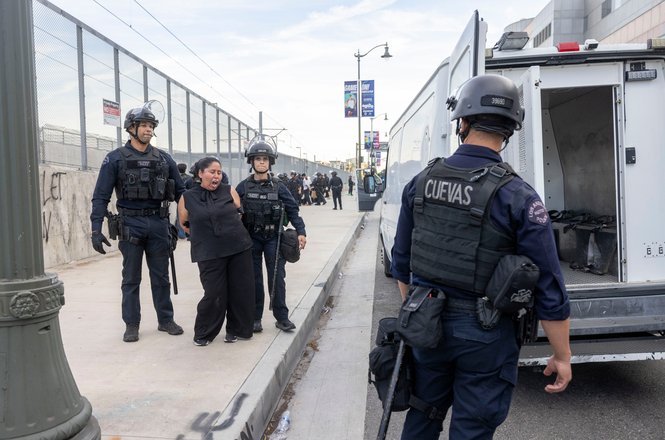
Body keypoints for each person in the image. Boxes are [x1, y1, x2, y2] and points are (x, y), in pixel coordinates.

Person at [392, 74, 572, 439]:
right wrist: (562, 356)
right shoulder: (519, 196)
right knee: (472, 429)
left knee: (422, 417)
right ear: (509, 130)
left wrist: (419, 313)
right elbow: (550, 287)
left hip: (426, 322)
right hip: (486, 333)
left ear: (463, 122)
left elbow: (401, 262)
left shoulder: (421, 182)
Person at [90, 103, 185, 343]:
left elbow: (183, 192)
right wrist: (95, 228)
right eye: (143, 125)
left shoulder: (164, 158)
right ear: (131, 128)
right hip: (130, 223)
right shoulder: (115, 159)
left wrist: (189, 220)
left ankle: (165, 320)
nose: (148, 129)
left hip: (158, 222)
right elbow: (101, 195)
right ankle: (131, 324)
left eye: (151, 125)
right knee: (131, 278)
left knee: (161, 277)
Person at [178, 157, 255, 346]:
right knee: (214, 293)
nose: (216, 176)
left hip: (238, 247)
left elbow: (239, 212)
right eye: (212, 172)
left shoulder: (229, 190)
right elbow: (185, 224)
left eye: (219, 172)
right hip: (208, 251)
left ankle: (236, 330)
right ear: (200, 174)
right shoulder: (187, 197)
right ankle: (204, 333)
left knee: (240, 290)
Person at [236, 135, 307, 333]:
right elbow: (231, 210)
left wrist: (301, 231)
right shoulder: (243, 187)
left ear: (270, 162)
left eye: (265, 159)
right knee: (254, 279)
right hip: (251, 239)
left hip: (273, 239)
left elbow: (293, 210)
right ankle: (255, 318)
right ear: (251, 161)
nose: (261, 162)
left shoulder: (279, 186)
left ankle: (281, 317)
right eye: (257, 158)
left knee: (276, 278)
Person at [176, 163, 190, 239]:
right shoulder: (189, 178)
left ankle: (181, 234)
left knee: (180, 217)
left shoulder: (177, 178)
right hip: (190, 200)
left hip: (180, 199)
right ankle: (188, 233)